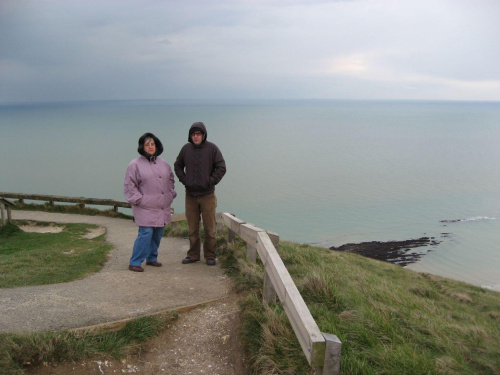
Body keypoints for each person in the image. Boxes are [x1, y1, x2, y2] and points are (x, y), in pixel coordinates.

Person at [174, 122, 226, 266]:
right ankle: (193, 255)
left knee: (210, 228)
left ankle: (210, 255)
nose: (196, 136)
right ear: (190, 136)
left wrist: (210, 181)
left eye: (198, 134)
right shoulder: (186, 149)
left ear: (203, 135)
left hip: (207, 195)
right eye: (193, 134)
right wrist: (185, 180)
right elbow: (178, 165)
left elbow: (221, 167)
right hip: (190, 195)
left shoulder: (212, 149)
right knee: (192, 228)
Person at [124, 133, 177, 272]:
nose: (150, 147)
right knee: (146, 234)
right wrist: (138, 199)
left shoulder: (163, 163)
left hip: (161, 206)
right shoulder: (134, 164)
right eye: (147, 145)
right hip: (144, 206)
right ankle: (135, 261)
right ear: (142, 147)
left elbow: (171, 179)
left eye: (152, 144)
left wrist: (171, 193)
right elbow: (130, 185)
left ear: (157, 145)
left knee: (158, 233)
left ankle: (152, 258)